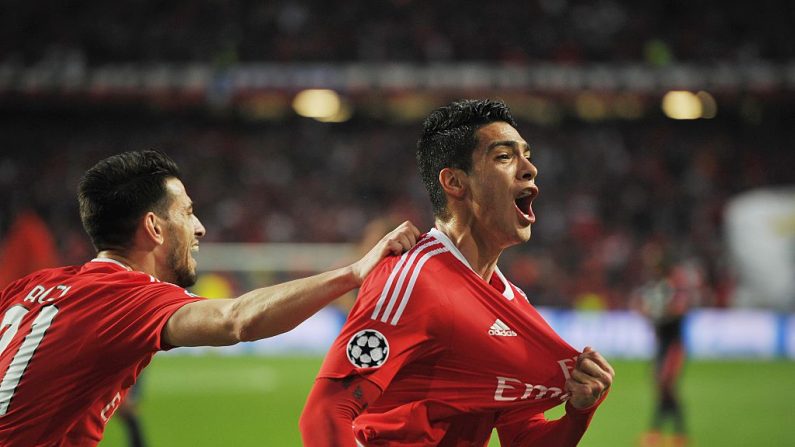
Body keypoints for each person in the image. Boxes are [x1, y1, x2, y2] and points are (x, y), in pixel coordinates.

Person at [0, 150, 421, 446]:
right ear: (154, 227)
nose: (199, 227)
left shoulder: (31, 288)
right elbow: (236, 320)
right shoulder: (125, 296)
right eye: (186, 211)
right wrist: (354, 272)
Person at [300, 99, 615, 446]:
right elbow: (325, 415)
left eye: (527, 155)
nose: (529, 168)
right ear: (454, 182)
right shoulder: (413, 280)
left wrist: (579, 412)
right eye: (504, 157)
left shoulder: (514, 305)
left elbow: (523, 438)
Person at [634, 257, 699, 447]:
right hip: (662, 346)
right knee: (663, 389)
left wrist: (656, 313)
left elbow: (677, 311)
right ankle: (672, 434)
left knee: (667, 388)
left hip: (673, 346)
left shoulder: (674, 291)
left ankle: (668, 433)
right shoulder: (659, 290)